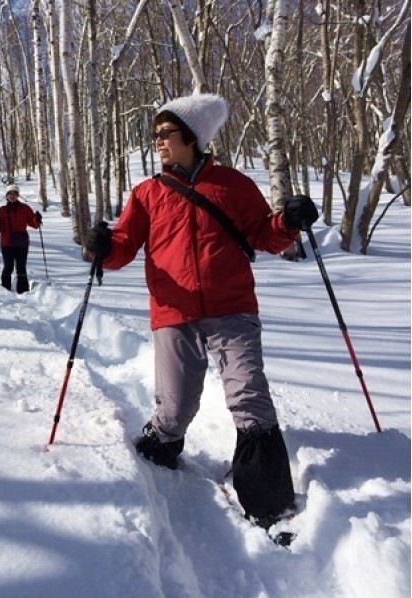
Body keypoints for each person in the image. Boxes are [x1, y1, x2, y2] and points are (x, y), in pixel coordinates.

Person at [84, 93, 319, 529]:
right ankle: (154, 461)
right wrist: (100, 248)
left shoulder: (232, 185)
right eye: (154, 134)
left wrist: (288, 221)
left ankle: (269, 504)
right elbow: (121, 248)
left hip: (232, 307)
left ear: (191, 137)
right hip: (173, 311)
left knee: (250, 398)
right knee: (174, 410)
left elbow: (265, 236)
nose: (157, 141)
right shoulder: (148, 193)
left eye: (165, 133)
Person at [0, 184, 42, 293]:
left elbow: (34, 224)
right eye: (10, 194)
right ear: (6, 196)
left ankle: (23, 291)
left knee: (21, 267)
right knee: (8, 266)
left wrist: (37, 219)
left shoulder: (25, 208)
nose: (12, 196)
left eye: (14, 194)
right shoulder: (2, 210)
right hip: (7, 243)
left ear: (18, 195)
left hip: (21, 243)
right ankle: (5, 289)